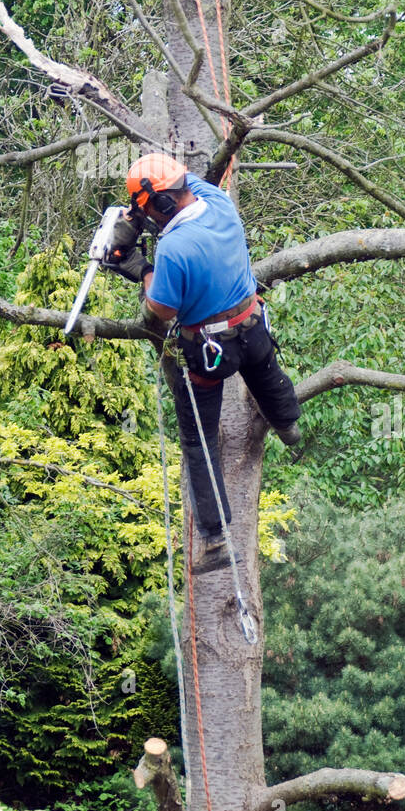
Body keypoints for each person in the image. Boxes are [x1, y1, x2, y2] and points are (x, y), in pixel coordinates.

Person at [104, 153, 300, 573]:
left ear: (164, 206)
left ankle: (214, 540)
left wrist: (140, 268)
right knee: (267, 376)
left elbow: (159, 309)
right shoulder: (218, 202)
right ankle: (288, 425)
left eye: (150, 212)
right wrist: (141, 209)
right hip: (252, 328)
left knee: (199, 441)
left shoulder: (174, 249)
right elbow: (181, 179)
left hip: (210, 354)